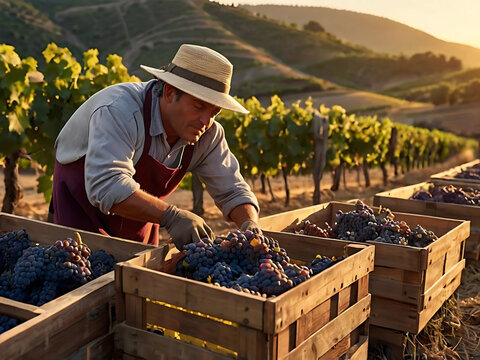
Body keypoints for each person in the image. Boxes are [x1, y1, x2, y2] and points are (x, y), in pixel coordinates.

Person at [52, 44, 260, 249]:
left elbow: (232, 191)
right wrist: (171, 216)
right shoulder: (119, 110)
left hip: (139, 220)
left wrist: (250, 224)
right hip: (81, 215)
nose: (206, 121)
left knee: (138, 278)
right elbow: (107, 185)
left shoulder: (209, 134)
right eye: (199, 106)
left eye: (215, 112)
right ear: (169, 92)